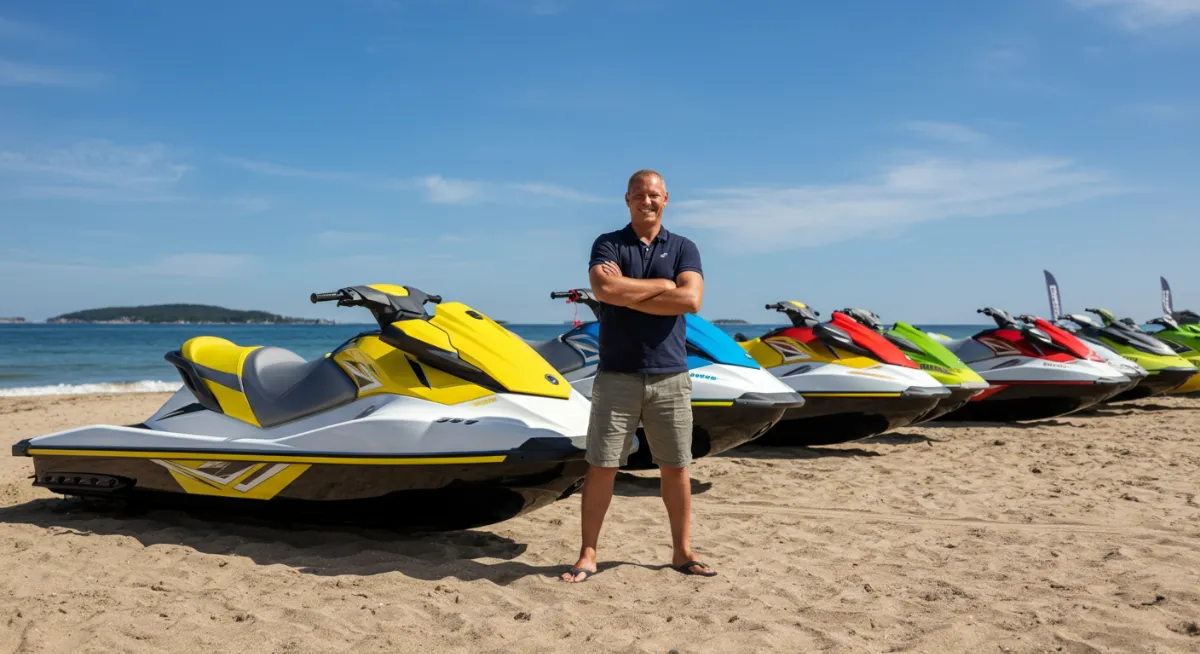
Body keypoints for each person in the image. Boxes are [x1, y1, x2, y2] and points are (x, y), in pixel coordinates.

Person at [560, 169, 716, 583]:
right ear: (627, 199)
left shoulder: (684, 247)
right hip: (617, 375)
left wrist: (632, 294)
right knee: (602, 465)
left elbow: (692, 299)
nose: (647, 201)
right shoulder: (609, 243)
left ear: (666, 199)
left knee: (676, 466)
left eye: (654, 195)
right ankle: (588, 555)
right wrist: (661, 286)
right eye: (639, 195)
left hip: (670, 375)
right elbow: (605, 291)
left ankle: (682, 552)